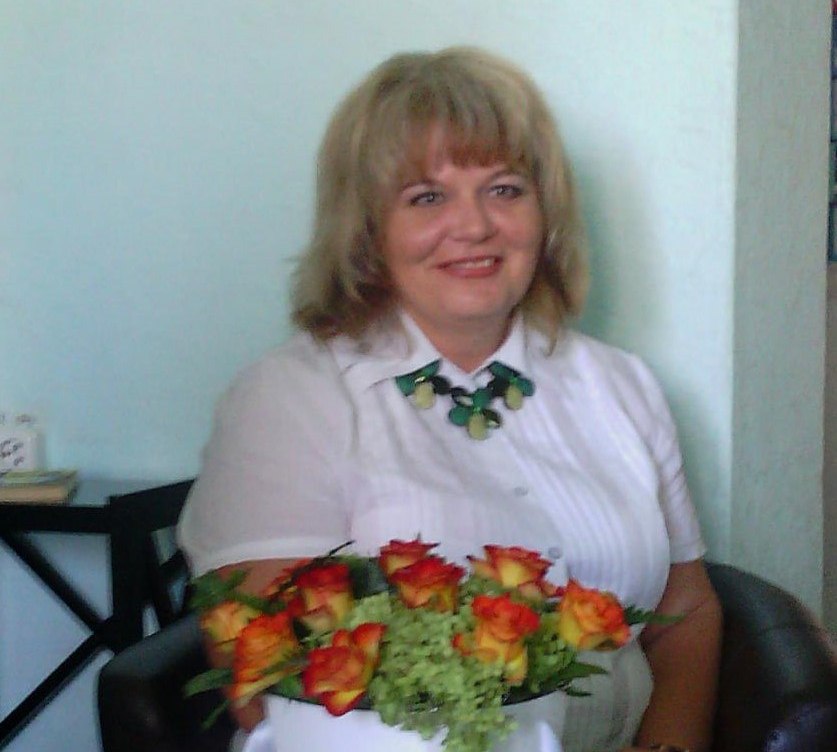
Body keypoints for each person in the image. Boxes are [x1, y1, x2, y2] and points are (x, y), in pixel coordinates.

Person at [177, 46, 722, 752]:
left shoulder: (622, 384)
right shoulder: (283, 403)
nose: (474, 226)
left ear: (545, 212)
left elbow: (686, 612)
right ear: (366, 228)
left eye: (504, 189)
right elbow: (270, 685)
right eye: (426, 198)